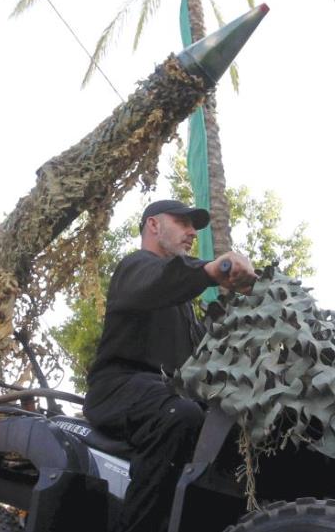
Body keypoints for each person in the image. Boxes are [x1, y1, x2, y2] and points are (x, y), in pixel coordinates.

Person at [83, 199, 257, 532]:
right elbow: (158, 282)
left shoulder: (183, 304)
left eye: (194, 226)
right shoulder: (136, 267)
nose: (192, 232)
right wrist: (213, 269)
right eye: (182, 222)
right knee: (180, 415)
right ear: (153, 225)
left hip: (163, 392)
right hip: (119, 388)